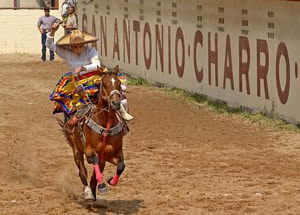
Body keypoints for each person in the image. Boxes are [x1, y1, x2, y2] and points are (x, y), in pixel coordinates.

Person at [46, 24, 133, 127]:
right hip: (77, 81)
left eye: (80, 46)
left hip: (93, 78)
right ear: (71, 46)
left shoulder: (91, 51)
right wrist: (52, 32)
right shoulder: (66, 53)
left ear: (84, 43)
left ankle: (122, 113)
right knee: (72, 98)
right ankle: (74, 119)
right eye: (75, 46)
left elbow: (97, 65)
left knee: (113, 91)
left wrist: (83, 68)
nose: (78, 49)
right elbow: (50, 45)